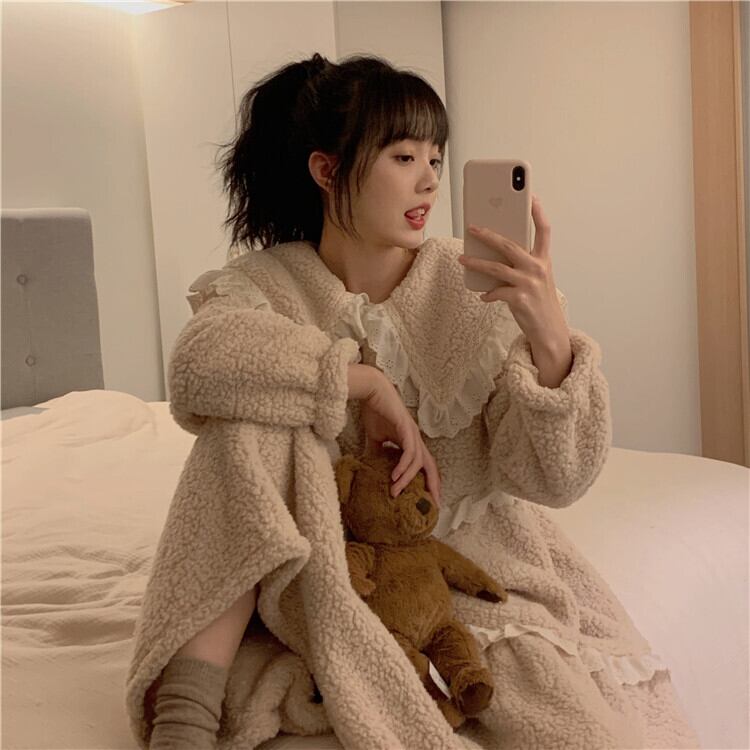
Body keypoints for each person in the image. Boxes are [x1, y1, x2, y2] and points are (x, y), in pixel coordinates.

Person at [136, 52, 701, 750]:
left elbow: (556, 482)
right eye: (404, 157)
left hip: (468, 566)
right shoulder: (269, 284)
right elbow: (197, 367)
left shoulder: (470, 286)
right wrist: (364, 381)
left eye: (436, 158)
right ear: (327, 170)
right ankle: (183, 724)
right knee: (243, 426)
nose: (430, 180)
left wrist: (550, 338)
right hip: (332, 567)